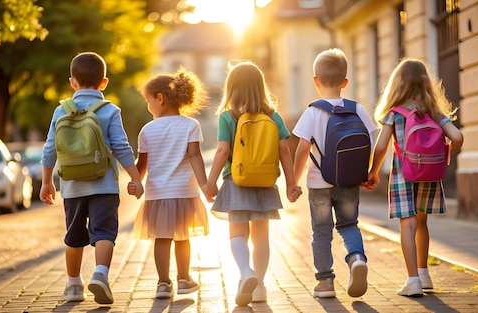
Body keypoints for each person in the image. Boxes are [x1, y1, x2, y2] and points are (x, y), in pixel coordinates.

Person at [40, 52, 144, 304]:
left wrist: (47, 182)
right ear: (104, 82)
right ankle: (100, 273)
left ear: (72, 82)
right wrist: (135, 177)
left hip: (72, 186)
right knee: (104, 233)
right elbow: (121, 146)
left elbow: (50, 148)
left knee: (74, 236)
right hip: (104, 185)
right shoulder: (110, 110)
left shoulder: (61, 110)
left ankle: (73, 285)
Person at [363, 58, 464, 296]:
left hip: (403, 172)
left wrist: (374, 172)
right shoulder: (434, 113)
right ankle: (424, 273)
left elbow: (381, 147)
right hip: (430, 171)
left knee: (407, 224)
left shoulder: (394, 113)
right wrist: (447, 153)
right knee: (421, 222)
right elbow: (457, 137)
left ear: (397, 85)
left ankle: (412, 281)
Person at [206, 61, 302, 306]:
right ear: (261, 87)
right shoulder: (273, 116)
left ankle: (245, 272)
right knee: (261, 238)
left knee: (237, 234)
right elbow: (285, 151)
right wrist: (291, 183)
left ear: (232, 88)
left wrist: (210, 182)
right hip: (265, 183)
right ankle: (259, 286)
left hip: (236, 181)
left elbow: (221, 151)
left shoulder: (228, 117)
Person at [292, 48, 377, 298]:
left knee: (321, 231)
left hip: (319, 184)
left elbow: (301, 150)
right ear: (345, 82)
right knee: (349, 224)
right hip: (349, 181)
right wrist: (369, 171)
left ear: (315, 81)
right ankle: (357, 258)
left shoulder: (312, 112)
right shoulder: (357, 109)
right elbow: (370, 141)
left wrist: (293, 182)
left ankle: (325, 282)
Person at [128, 69, 211, 299]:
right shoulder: (191, 125)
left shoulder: (147, 130)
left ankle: (163, 283)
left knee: (162, 239)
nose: (148, 107)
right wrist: (205, 186)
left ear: (160, 99)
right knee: (183, 237)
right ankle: (184, 279)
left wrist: (136, 181)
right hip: (184, 192)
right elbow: (195, 156)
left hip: (158, 194)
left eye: (148, 101)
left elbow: (142, 163)